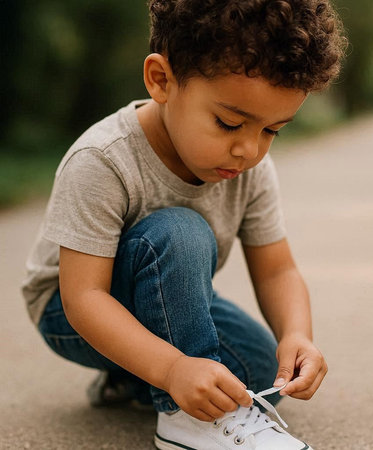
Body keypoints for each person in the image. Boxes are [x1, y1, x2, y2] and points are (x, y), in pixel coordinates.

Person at [22, 0, 346, 448]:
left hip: (160, 306)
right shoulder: (102, 159)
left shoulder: (249, 170)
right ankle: (183, 420)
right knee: (179, 230)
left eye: (273, 130)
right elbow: (84, 299)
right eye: (229, 122)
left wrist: (298, 336)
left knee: (253, 365)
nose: (249, 149)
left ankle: (132, 380)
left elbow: (277, 269)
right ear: (162, 81)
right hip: (72, 314)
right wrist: (174, 370)